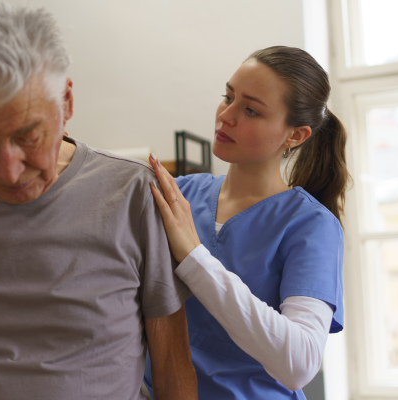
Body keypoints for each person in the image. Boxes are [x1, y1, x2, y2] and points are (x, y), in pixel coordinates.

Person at [0, 1, 197, 399]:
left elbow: (173, 369)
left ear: (66, 103)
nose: (9, 171)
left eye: (29, 137)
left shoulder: (133, 194)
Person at [143, 46, 348, 399]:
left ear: (295, 135)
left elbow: (299, 363)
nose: (226, 116)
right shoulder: (179, 194)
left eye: (251, 110)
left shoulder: (311, 225)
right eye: (228, 96)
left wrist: (194, 258)